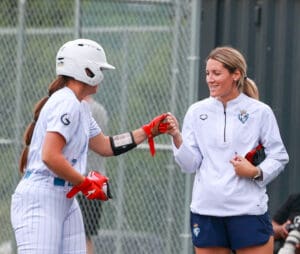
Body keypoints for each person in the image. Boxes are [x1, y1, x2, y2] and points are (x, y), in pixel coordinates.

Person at [10, 38, 170, 254]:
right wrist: (84, 183)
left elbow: (105, 145)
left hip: (65, 195)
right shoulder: (66, 101)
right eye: (99, 68)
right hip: (42, 196)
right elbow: (50, 156)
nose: (102, 74)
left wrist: (146, 132)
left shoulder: (81, 107)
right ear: (85, 69)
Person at [165, 46, 289, 254]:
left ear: (236, 74)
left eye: (216, 73)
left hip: (248, 211)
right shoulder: (196, 112)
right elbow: (189, 164)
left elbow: (279, 156)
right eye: (207, 73)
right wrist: (177, 137)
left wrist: (255, 172)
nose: (210, 79)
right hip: (206, 211)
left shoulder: (260, 112)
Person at [77, 95, 108, 254]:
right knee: (85, 236)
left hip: (82, 179)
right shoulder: (100, 110)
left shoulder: (83, 109)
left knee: (81, 235)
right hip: (97, 180)